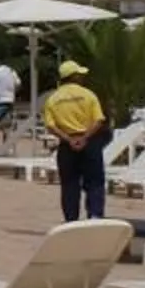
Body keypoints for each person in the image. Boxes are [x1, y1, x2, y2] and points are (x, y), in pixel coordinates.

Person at [39, 61, 112, 222]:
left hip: (67, 145)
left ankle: (71, 219)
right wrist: (84, 138)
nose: (83, 77)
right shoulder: (88, 95)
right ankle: (95, 215)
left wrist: (69, 139)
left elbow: (50, 126)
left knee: (69, 184)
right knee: (94, 181)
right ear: (74, 77)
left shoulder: (53, 99)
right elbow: (99, 120)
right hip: (89, 142)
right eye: (80, 75)